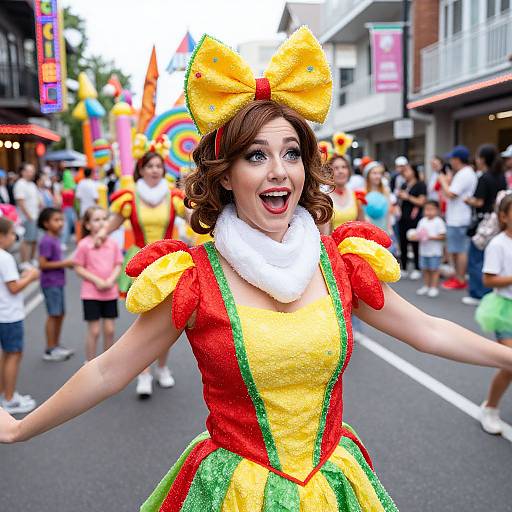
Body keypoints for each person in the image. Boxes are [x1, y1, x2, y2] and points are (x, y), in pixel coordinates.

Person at [3, 27, 512, 510]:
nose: (278, 170)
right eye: (256, 155)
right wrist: (21, 429)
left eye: (292, 153)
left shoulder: (341, 264)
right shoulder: (194, 278)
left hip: (331, 484)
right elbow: (109, 370)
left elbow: (428, 330)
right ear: (224, 176)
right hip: (236, 490)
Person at [94, 150, 186, 397]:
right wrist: (100, 235)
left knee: (168, 319)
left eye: (159, 166)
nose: (155, 170)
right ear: (141, 170)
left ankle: (163, 368)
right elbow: (111, 224)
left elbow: (194, 219)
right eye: (150, 166)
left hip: (167, 263)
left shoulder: (173, 197)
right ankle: (144, 373)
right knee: (146, 321)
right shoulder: (129, 198)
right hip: (140, 263)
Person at [475, 194, 512, 434]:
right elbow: (488, 279)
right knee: (510, 364)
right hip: (504, 309)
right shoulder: (498, 244)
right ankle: (490, 408)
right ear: (504, 216)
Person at [0, 217, 39, 414]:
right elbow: (14, 288)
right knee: (14, 354)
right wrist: (31, 277)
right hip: (9, 314)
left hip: (2, 314)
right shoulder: (5, 258)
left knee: (6, 354)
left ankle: (4, 394)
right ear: (2, 236)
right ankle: (9, 398)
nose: (14, 237)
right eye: (11, 233)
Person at [74, 207, 123, 362]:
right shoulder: (84, 245)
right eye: (96, 220)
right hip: (91, 293)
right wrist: (97, 281)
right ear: (88, 225)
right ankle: (89, 362)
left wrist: (110, 280)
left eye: (104, 219)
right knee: (94, 331)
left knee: (109, 330)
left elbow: (118, 264)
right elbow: (78, 267)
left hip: (110, 292)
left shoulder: (113, 243)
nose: (101, 223)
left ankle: (106, 362)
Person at [462, 144, 507, 306]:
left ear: (482, 159)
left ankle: (478, 293)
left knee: (476, 257)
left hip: (484, 223)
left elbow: (479, 201)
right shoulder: (501, 176)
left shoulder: (484, 177)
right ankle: (488, 292)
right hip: (498, 222)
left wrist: (467, 200)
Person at [37, 208, 74, 362]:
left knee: (60, 313)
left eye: (61, 220)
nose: (61, 223)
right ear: (46, 224)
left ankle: (56, 345)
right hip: (50, 283)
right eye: (56, 220)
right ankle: (50, 348)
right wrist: (65, 263)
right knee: (53, 314)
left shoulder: (55, 239)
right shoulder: (46, 241)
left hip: (57, 282)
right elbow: (43, 264)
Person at [438, 145, 477, 290]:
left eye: (452, 159)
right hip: (457, 217)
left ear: (457, 159)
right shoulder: (464, 173)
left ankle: (460, 279)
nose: (451, 162)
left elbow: (451, 193)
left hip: (459, 219)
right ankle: (458, 277)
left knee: (459, 250)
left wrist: (442, 180)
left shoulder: (464, 173)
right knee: (456, 249)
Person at [320, 154, 364, 234]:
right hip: (332, 244)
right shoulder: (324, 198)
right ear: (329, 172)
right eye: (336, 168)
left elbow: (362, 225)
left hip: (353, 244)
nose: (341, 171)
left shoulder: (356, 196)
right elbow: (324, 234)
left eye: (344, 167)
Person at [397, 164, 427, 279]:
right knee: (403, 242)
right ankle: (403, 267)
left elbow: (422, 201)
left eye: (408, 170)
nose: (405, 172)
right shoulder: (404, 184)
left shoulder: (420, 185)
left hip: (415, 218)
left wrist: (407, 197)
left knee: (415, 242)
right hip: (403, 217)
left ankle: (416, 268)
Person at [412, 200, 446, 298]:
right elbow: (418, 234)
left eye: (432, 209)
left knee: (434, 269)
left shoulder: (439, 222)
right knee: (425, 269)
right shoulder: (422, 221)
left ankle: (434, 287)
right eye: (427, 209)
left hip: (435, 252)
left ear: (437, 210)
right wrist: (415, 236)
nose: (429, 212)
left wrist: (429, 237)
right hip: (423, 251)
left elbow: (443, 236)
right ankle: (426, 286)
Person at [13, 163, 41, 268]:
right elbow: (21, 202)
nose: (31, 173)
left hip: (35, 215)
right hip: (26, 218)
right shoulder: (20, 184)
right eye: (29, 170)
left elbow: (37, 199)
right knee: (26, 239)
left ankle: (32, 259)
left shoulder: (32, 184)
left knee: (34, 239)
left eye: (32, 170)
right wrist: (28, 215)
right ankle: (24, 262)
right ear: (22, 172)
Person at [364, 161, 392, 233]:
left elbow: (388, 211)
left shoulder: (386, 190)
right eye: (374, 173)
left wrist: (389, 228)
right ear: (368, 175)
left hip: (383, 227)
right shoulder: (363, 191)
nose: (378, 176)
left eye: (380, 173)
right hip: (367, 228)